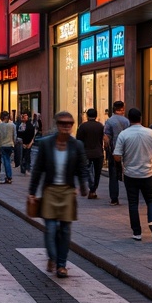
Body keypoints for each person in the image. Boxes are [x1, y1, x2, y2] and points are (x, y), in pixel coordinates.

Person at [27, 110, 88, 279]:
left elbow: (82, 167)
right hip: (50, 191)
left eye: (69, 124)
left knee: (66, 229)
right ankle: (52, 258)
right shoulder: (46, 144)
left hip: (68, 191)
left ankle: (62, 264)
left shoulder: (77, 145)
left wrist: (84, 185)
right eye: (62, 124)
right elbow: (38, 169)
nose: (66, 127)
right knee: (51, 228)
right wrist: (32, 191)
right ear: (57, 124)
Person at [112, 107, 152, 243]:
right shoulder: (150, 133)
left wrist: (124, 159)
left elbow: (116, 156)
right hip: (148, 172)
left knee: (133, 202)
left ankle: (137, 232)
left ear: (129, 119)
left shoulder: (124, 134)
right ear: (141, 118)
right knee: (151, 199)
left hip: (130, 173)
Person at [103, 101, 130, 205]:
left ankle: (114, 198)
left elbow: (106, 138)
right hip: (126, 150)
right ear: (122, 108)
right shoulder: (126, 121)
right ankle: (131, 195)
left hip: (113, 151)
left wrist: (107, 149)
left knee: (113, 175)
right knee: (127, 173)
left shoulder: (109, 121)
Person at [76, 108, 105, 198]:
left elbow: (78, 140)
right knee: (97, 173)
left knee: (87, 171)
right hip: (98, 152)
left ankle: (91, 187)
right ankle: (93, 190)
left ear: (87, 115)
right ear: (96, 116)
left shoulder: (82, 126)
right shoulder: (100, 126)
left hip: (86, 153)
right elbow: (101, 139)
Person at [0, 111, 16, 183]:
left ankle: (8, 177)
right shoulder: (13, 125)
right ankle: (6, 177)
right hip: (10, 145)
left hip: (3, 145)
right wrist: (14, 144)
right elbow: (15, 136)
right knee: (8, 160)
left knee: (5, 161)